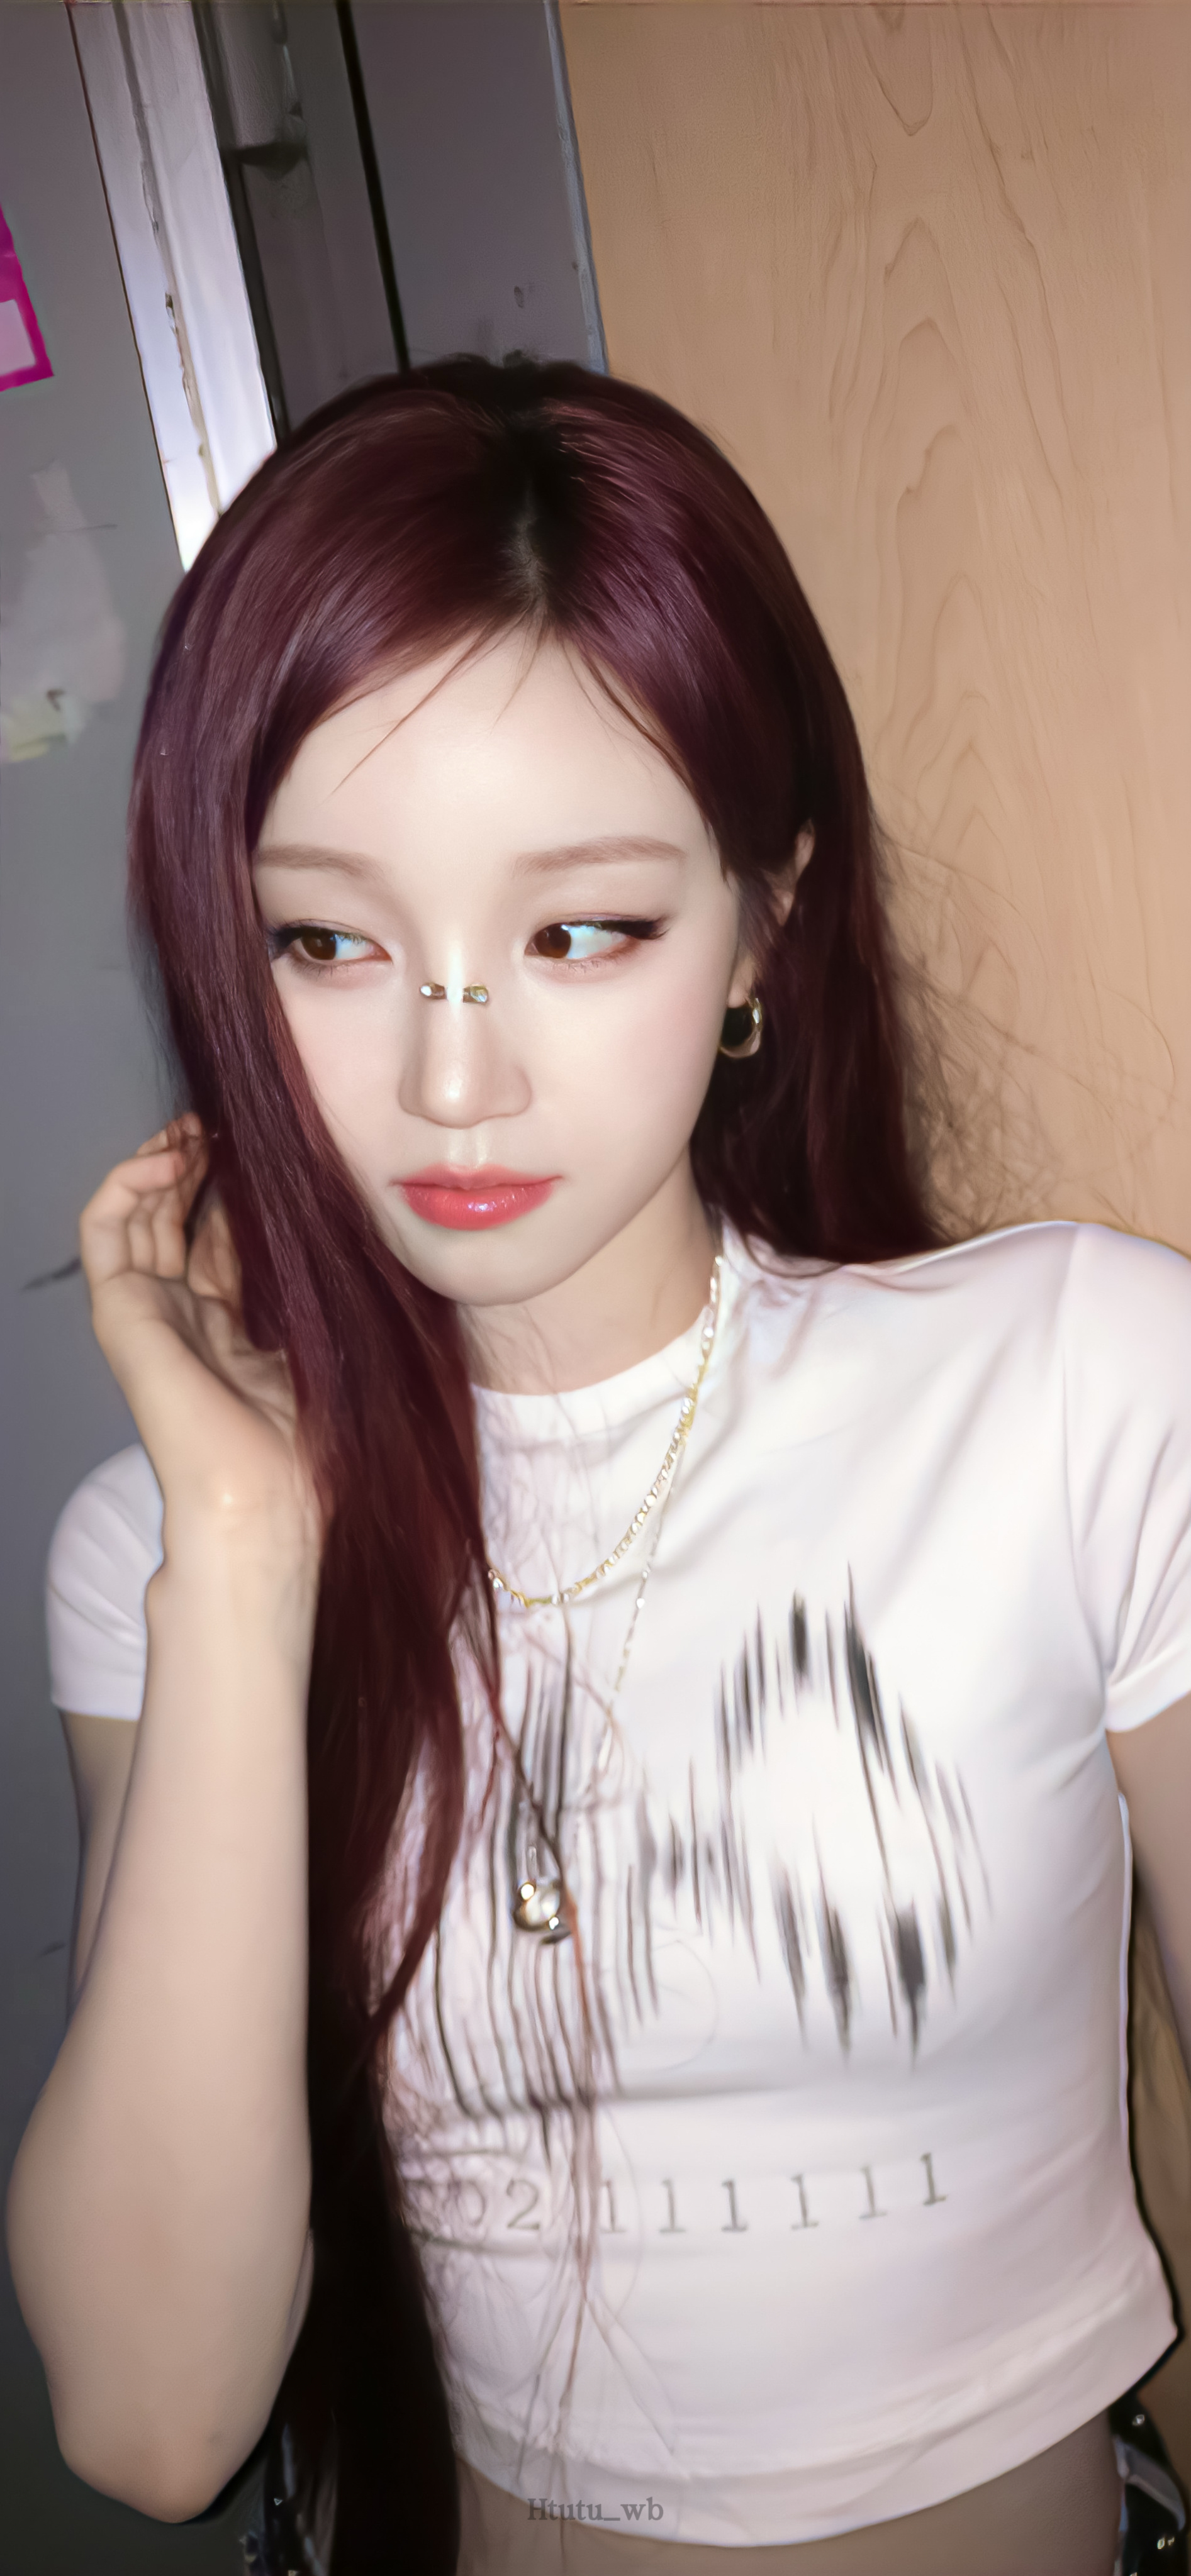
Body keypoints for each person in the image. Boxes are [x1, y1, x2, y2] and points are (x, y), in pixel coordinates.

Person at [5, 360, 1190, 2576]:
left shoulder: (1079, 1391)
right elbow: (156, 2421)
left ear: (763, 926)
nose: (452, 1079)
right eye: (330, 940)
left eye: (578, 930)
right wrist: (245, 1561)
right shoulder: (166, 1548)